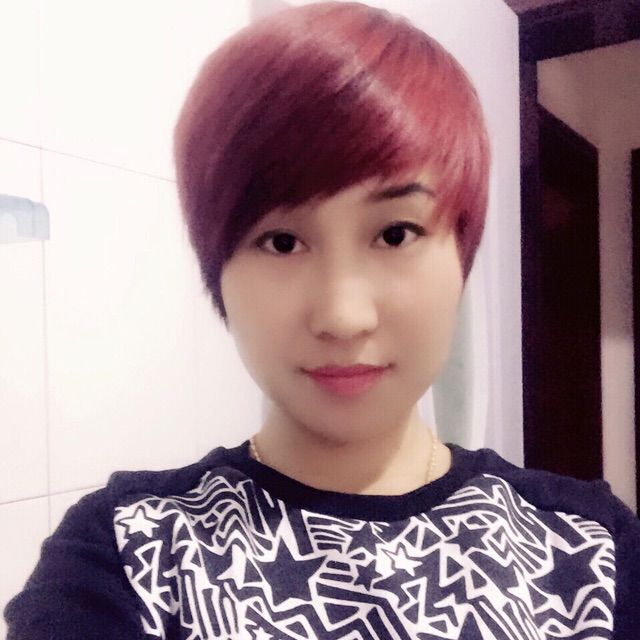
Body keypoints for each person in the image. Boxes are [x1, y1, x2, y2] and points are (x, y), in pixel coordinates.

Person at [5, 2, 640, 638]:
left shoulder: (590, 554)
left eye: (396, 233)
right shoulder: (130, 556)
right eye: (281, 241)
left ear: (462, 254)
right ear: (216, 266)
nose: (343, 316)